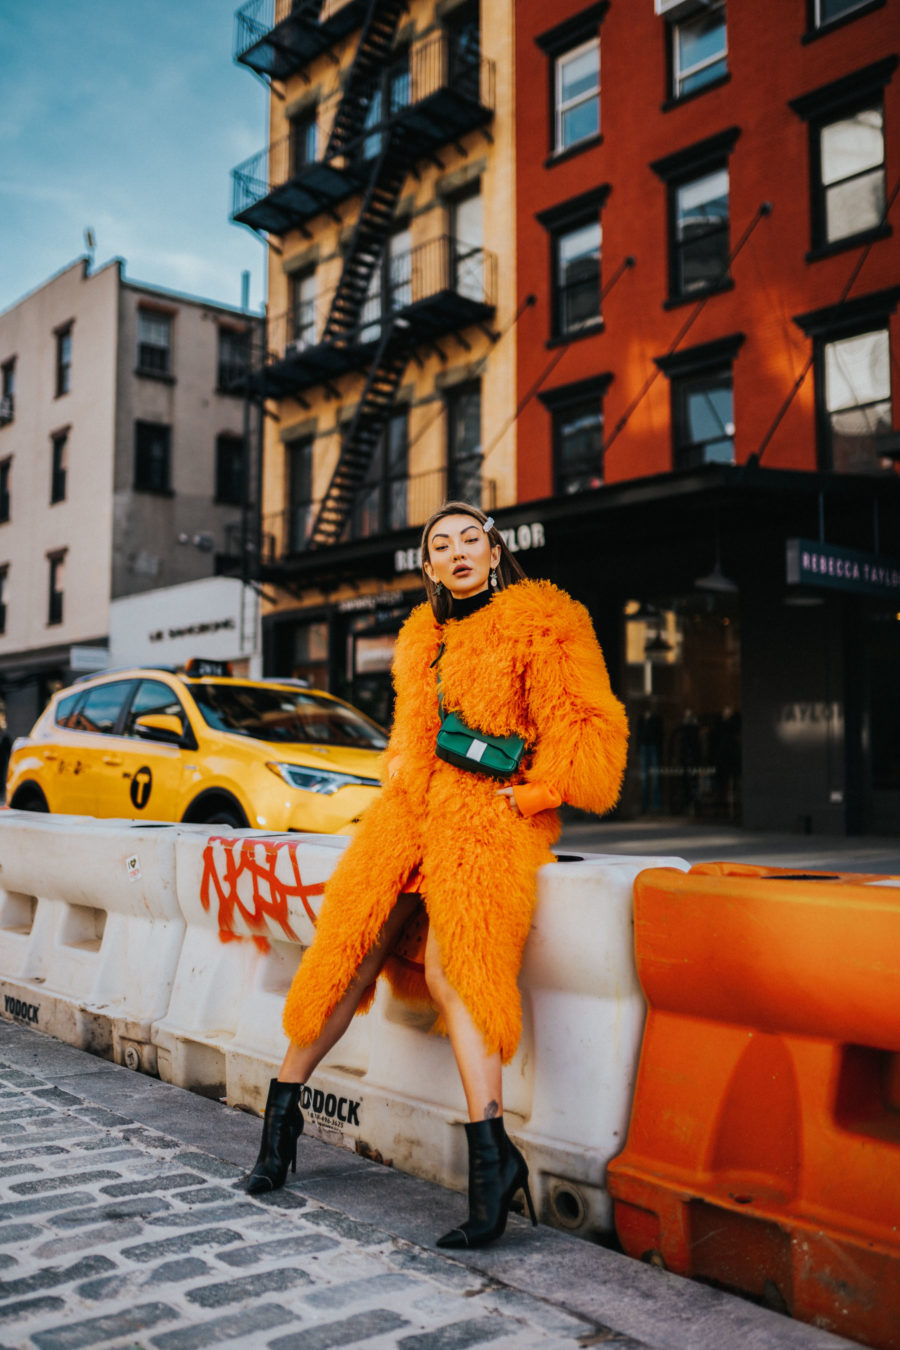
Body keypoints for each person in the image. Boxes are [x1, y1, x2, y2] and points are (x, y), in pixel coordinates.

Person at [246, 502, 629, 1249]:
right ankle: (278, 1126)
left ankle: (493, 1160)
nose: (456, 552)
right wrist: (398, 769)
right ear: (427, 567)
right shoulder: (421, 636)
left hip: (488, 820)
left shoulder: (543, 618)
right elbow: (410, 734)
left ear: (493, 549)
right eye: (440, 545)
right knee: (344, 957)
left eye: (468, 540)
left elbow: (590, 722)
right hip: (410, 818)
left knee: (463, 971)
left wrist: (540, 794)